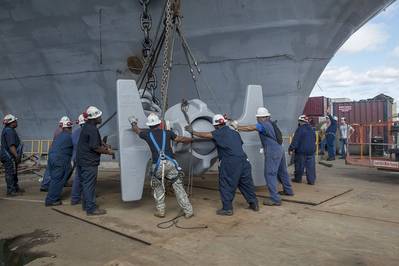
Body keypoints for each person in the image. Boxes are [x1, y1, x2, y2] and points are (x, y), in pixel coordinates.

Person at [186, 114, 259, 216]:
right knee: (246, 183)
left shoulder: (219, 132)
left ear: (216, 126)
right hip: (244, 160)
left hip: (230, 162)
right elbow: (238, 144)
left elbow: (207, 135)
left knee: (226, 184)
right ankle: (254, 203)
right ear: (224, 122)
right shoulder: (234, 132)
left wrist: (192, 132)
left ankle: (227, 209)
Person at [131, 113, 194, 218]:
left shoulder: (146, 134)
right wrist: (191, 139)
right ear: (159, 124)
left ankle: (161, 211)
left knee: (158, 187)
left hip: (157, 165)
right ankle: (188, 211)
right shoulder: (168, 133)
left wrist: (133, 122)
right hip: (170, 163)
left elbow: (136, 130)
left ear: (149, 125)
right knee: (178, 187)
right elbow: (180, 139)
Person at [237, 107, 294, 206]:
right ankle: (288, 190)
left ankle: (275, 199)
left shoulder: (264, 125)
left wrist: (237, 127)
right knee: (282, 171)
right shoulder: (271, 123)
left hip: (273, 152)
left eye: (258, 118)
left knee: (269, 174)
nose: (257, 120)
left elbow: (252, 128)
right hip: (280, 149)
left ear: (262, 118)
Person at [76, 106, 114, 216]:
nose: (101, 118)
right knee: (89, 185)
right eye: (99, 116)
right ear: (94, 118)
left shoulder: (87, 127)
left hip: (82, 160)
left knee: (85, 184)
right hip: (88, 162)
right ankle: (91, 209)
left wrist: (104, 144)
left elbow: (94, 141)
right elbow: (95, 147)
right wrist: (108, 152)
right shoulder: (92, 129)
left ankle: (86, 205)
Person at [45, 117, 74, 206]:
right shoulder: (70, 136)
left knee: (55, 178)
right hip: (60, 159)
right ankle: (51, 200)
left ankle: (51, 196)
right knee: (58, 179)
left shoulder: (59, 136)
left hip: (52, 158)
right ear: (69, 127)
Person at [40, 116, 69, 192]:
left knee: (50, 169)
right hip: (57, 153)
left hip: (53, 151)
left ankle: (46, 184)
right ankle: (47, 185)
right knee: (53, 170)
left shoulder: (57, 130)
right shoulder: (61, 131)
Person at [1, 114, 24, 197]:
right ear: (11, 122)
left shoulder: (8, 130)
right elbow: (11, 146)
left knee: (13, 172)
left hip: (8, 155)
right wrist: (16, 156)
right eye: (15, 121)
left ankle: (15, 187)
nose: (16, 122)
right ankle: (11, 191)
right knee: (10, 172)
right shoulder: (9, 131)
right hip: (9, 156)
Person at [289, 115, 316, 185]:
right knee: (311, 167)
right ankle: (311, 180)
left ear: (300, 121)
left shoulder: (300, 129)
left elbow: (295, 140)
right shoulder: (312, 129)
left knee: (299, 166)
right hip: (311, 151)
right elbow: (315, 139)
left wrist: (291, 148)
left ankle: (298, 179)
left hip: (301, 152)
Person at [70, 114, 86, 205]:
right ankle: (86, 197)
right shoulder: (86, 132)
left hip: (76, 157)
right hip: (84, 159)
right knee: (87, 180)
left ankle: (75, 199)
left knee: (78, 178)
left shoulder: (75, 132)